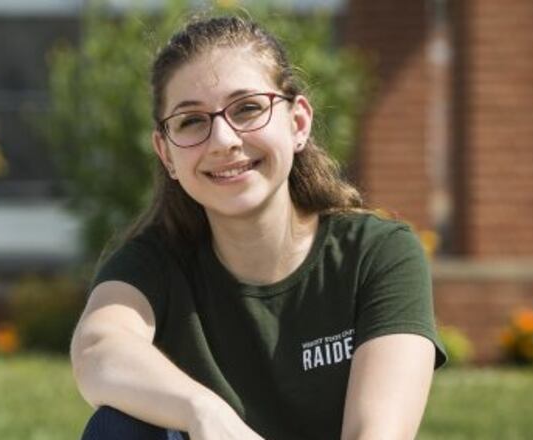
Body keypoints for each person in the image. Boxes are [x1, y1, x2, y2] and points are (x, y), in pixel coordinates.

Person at [71, 15, 447, 440]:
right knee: (117, 428)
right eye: (191, 120)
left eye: (248, 108)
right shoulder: (153, 264)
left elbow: (377, 434)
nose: (223, 140)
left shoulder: (376, 254)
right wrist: (204, 412)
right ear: (166, 152)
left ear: (298, 122)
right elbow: (97, 349)